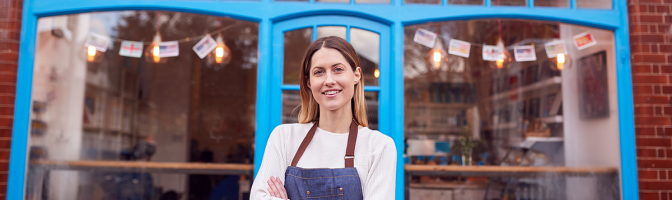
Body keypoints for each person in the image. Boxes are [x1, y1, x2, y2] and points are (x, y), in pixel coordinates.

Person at [250, 36, 397, 200]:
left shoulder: (378, 146)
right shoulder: (284, 138)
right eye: (319, 72)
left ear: (356, 75)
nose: (329, 80)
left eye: (338, 69)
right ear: (309, 82)